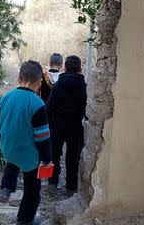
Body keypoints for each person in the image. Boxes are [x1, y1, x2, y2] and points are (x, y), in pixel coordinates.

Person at [0, 60, 52, 225]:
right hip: (30, 155)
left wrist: (2, 142)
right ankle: (24, 220)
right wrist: (47, 159)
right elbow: (42, 137)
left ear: (19, 79)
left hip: (9, 149)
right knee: (33, 190)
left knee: (13, 163)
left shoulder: (5, 98)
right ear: (40, 83)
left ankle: (6, 188)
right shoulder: (38, 104)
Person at [46, 55, 87, 195]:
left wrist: (49, 124)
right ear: (80, 69)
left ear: (64, 68)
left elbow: (49, 107)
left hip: (57, 125)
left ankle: (52, 183)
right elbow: (86, 108)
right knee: (73, 156)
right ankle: (71, 187)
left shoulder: (58, 85)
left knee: (54, 154)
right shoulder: (84, 86)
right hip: (75, 126)